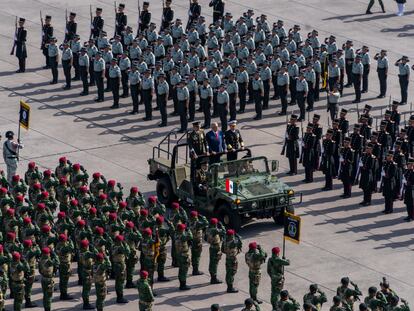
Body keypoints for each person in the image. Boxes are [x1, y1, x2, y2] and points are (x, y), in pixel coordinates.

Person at [222, 229, 242, 293]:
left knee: (228, 272)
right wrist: (237, 236)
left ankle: (229, 286)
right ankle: (230, 288)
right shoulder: (233, 242)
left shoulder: (224, 240)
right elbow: (240, 241)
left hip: (227, 258)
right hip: (232, 259)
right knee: (232, 272)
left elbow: (222, 250)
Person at [39, 247, 59, 311]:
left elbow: (39, 270)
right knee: (49, 297)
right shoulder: (49, 261)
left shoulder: (41, 260)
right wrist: (54, 255)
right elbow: (57, 262)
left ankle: (46, 308)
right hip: (49, 280)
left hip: (43, 278)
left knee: (45, 295)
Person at [175, 223, 192, 290]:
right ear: (182, 230)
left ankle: (182, 284)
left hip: (179, 254)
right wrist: (188, 230)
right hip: (184, 255)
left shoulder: (176, 234)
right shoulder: (183, 236)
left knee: (181, 269)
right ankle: (183, 285)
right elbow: (190, 236)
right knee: (184, 270)